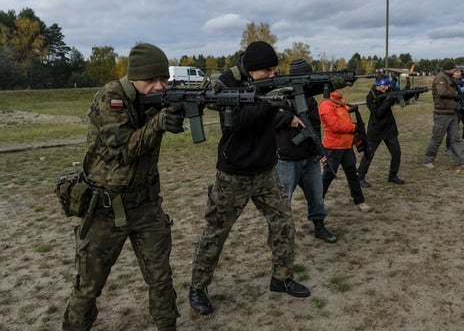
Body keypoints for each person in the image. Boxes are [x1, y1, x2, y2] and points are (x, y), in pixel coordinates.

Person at [62, 43, 183, 331]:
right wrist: (160, 123)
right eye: (150, 81)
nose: (158, 87)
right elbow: (122, 151)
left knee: (161, 278)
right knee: (88, 286)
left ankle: (168, 326)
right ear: (133, 79)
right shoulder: (111, 97)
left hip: (146, 206)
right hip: (106, 208)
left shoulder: (158, 98)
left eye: (163, 80)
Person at [189, 41, 310, 316]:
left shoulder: (270, 82)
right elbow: (238, 122)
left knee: (283, 222)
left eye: (274, 70)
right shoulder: (225, 83)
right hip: (234, 174)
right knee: (216, 232)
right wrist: (272, 101)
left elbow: (276, 114)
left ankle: (282, 277)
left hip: (266, 169)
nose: (272, 75)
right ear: (252, 69)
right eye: (267, 71)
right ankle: (197, 287)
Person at [274, 58, 337, 243]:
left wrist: (320, 151)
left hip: (309, 158)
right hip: (286, 159)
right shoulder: (278, 95)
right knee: (282, 201)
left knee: (317, 196)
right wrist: (289, 118)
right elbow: (268, 119)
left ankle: (319, 226)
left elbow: (315, 127)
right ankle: (278, 234)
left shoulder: (309, 100)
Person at [319, 86, 372, 213]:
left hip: (346, 145)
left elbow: (344, 114)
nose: (343, 90)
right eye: (341, 88)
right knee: (327, 176)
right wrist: (353, 128)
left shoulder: (339, 102)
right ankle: (317, 203)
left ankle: (359, 200)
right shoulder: (326, 104)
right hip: (333, 147)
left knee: (352, 174)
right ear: (334, 89)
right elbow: (335, 125)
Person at [423, 59, 464, 170]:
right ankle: (428, 160)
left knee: (455, 138)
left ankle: (460, 162)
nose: (456, 70)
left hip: (451, 112)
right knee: (437, 138)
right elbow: (442, 92)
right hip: (442, 113)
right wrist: (456, 94)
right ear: (449, 69)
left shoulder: (448, 77)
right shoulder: (441, 78)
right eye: (454, 68)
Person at [357, 74, 405, 187]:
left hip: (389, 128)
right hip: (376, 129)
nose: (387, 88)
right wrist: (389, 100)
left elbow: (400, 98)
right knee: (369, 154)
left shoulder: (389, 90)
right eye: (384, 85)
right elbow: (377, 113)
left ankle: (393, 175)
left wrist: (406, 94)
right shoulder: (370, 97)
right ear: (377, 85)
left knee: (396, 153)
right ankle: (360, 177)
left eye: (387, 85)